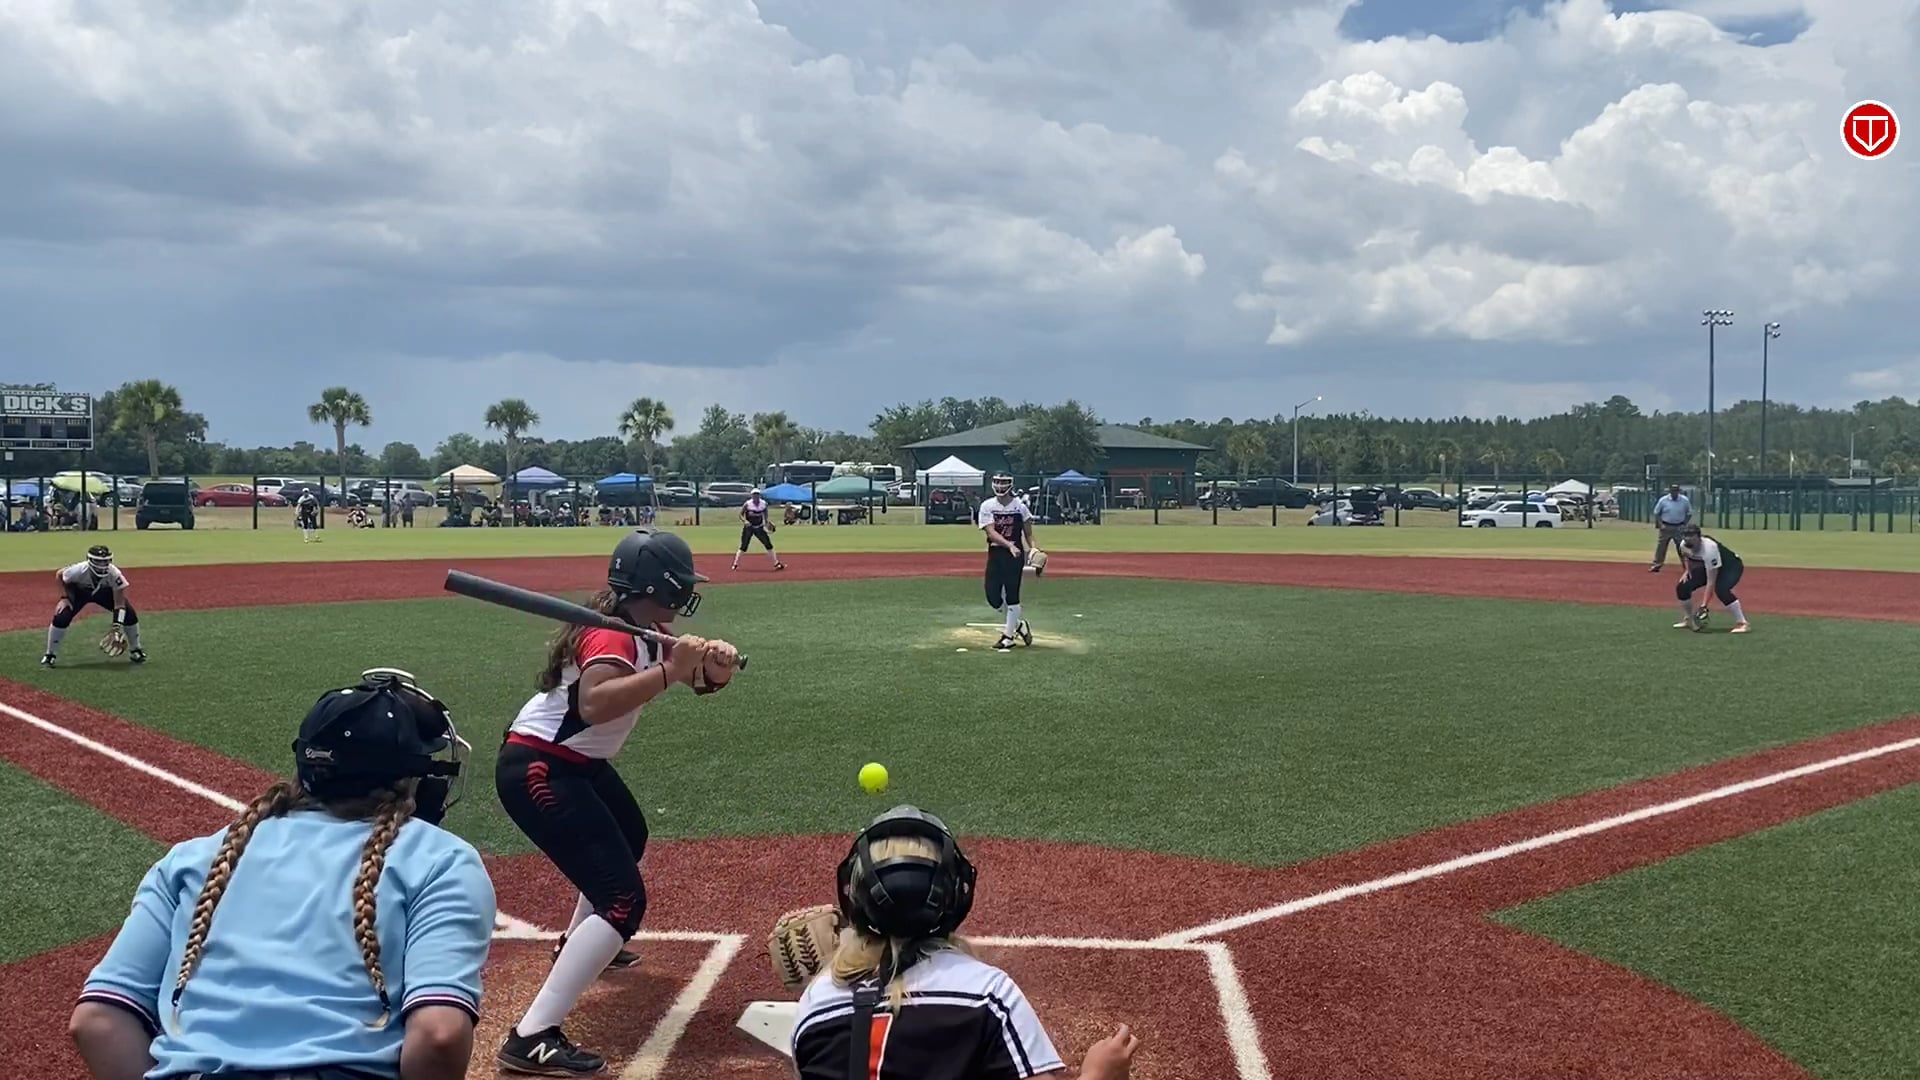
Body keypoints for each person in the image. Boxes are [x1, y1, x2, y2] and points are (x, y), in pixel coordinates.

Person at [68, 668, 494, 1080]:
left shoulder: (194, 857)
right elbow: (438, 1035)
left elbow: (97, 1021)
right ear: (415, 779)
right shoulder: (440, 859)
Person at [494, 529, 741, 1076]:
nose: (688, 592)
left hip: (574, 764)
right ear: (660, 585)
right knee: (623, 901)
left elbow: (697, 680)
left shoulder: (644, 630)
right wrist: (671, 670)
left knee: (630, 836)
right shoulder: (612, 636)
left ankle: (579, 943)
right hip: (540, 766)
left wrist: (713, 668)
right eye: (682, 583)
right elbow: (596, 703)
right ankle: (532, 1036)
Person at [791, 805, 1139, 1079]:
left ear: (857, 897)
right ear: (953, 894)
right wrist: (1099, 1075)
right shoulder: (988, 994)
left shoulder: (816, 1003)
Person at [43, 544, 143, 667]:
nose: (103, 565)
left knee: (129, 614)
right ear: (89, 560)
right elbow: (59, 575)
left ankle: (136, 649)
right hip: (79, 591)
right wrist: (64, 598)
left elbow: (119, 603)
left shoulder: (115, 574)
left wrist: (116, 627)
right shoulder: (78, 570)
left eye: (105, 561)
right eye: (99, 561)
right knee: (62, 615)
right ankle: (50, 654)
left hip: (103, 592)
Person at [976, 473, 1035, 651]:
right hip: (997, 553)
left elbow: (1028, 533)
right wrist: (1009, 545)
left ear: (1010, 484)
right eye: (997, 482)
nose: (1000, 486)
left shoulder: (1020, 507)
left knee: (1012, 595)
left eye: (1004, 482)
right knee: (992, 596)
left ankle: (1008, 637)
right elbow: (991, 532)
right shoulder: (987, 505)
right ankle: (1019, 625)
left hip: (1015, 556)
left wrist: (1034, 549)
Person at [1674, 524, 1750, 633]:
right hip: (1709, 566)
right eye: (1685, 535)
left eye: (1691, 535)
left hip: (1730, 566)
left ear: (1699, 537)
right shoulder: (1683, 545)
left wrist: (1704, 606)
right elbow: (1686, 556)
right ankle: (1689, 619)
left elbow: (1711, 582)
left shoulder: (1709, 548)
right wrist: (1687, 570)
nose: (1687, 538)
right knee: (1683, 587)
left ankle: (1742, 623)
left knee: (1721, 590)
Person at [732, 487, 784, 571]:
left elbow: (765, 513)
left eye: (757, 494)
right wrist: (745, 521)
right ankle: (735, 564)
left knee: (768, 544)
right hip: (749, 528)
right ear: (752, 496)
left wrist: (766, 522)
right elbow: (741, 515)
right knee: (744, 546)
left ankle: (776, 563)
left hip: (759, 527)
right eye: (754, 495)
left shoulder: (763, 504)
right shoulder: (748, 504)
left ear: (759, 495)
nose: (756, 496)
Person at [1649, 483, 1691, 571]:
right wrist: (1661, 525)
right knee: (1661, 547)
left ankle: (1687, 566)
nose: (1674, 493)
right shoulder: (1663, 500)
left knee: (1682, 546)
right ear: (1670, 491)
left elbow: (1689, 513)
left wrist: (1684, 523)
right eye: (1673, 491)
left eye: (1676, 491)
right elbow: (1657, 513)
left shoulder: (1684, 500)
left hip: (1679, 527)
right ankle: (1657, 564)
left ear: (1679, 491)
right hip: (1666, 526)